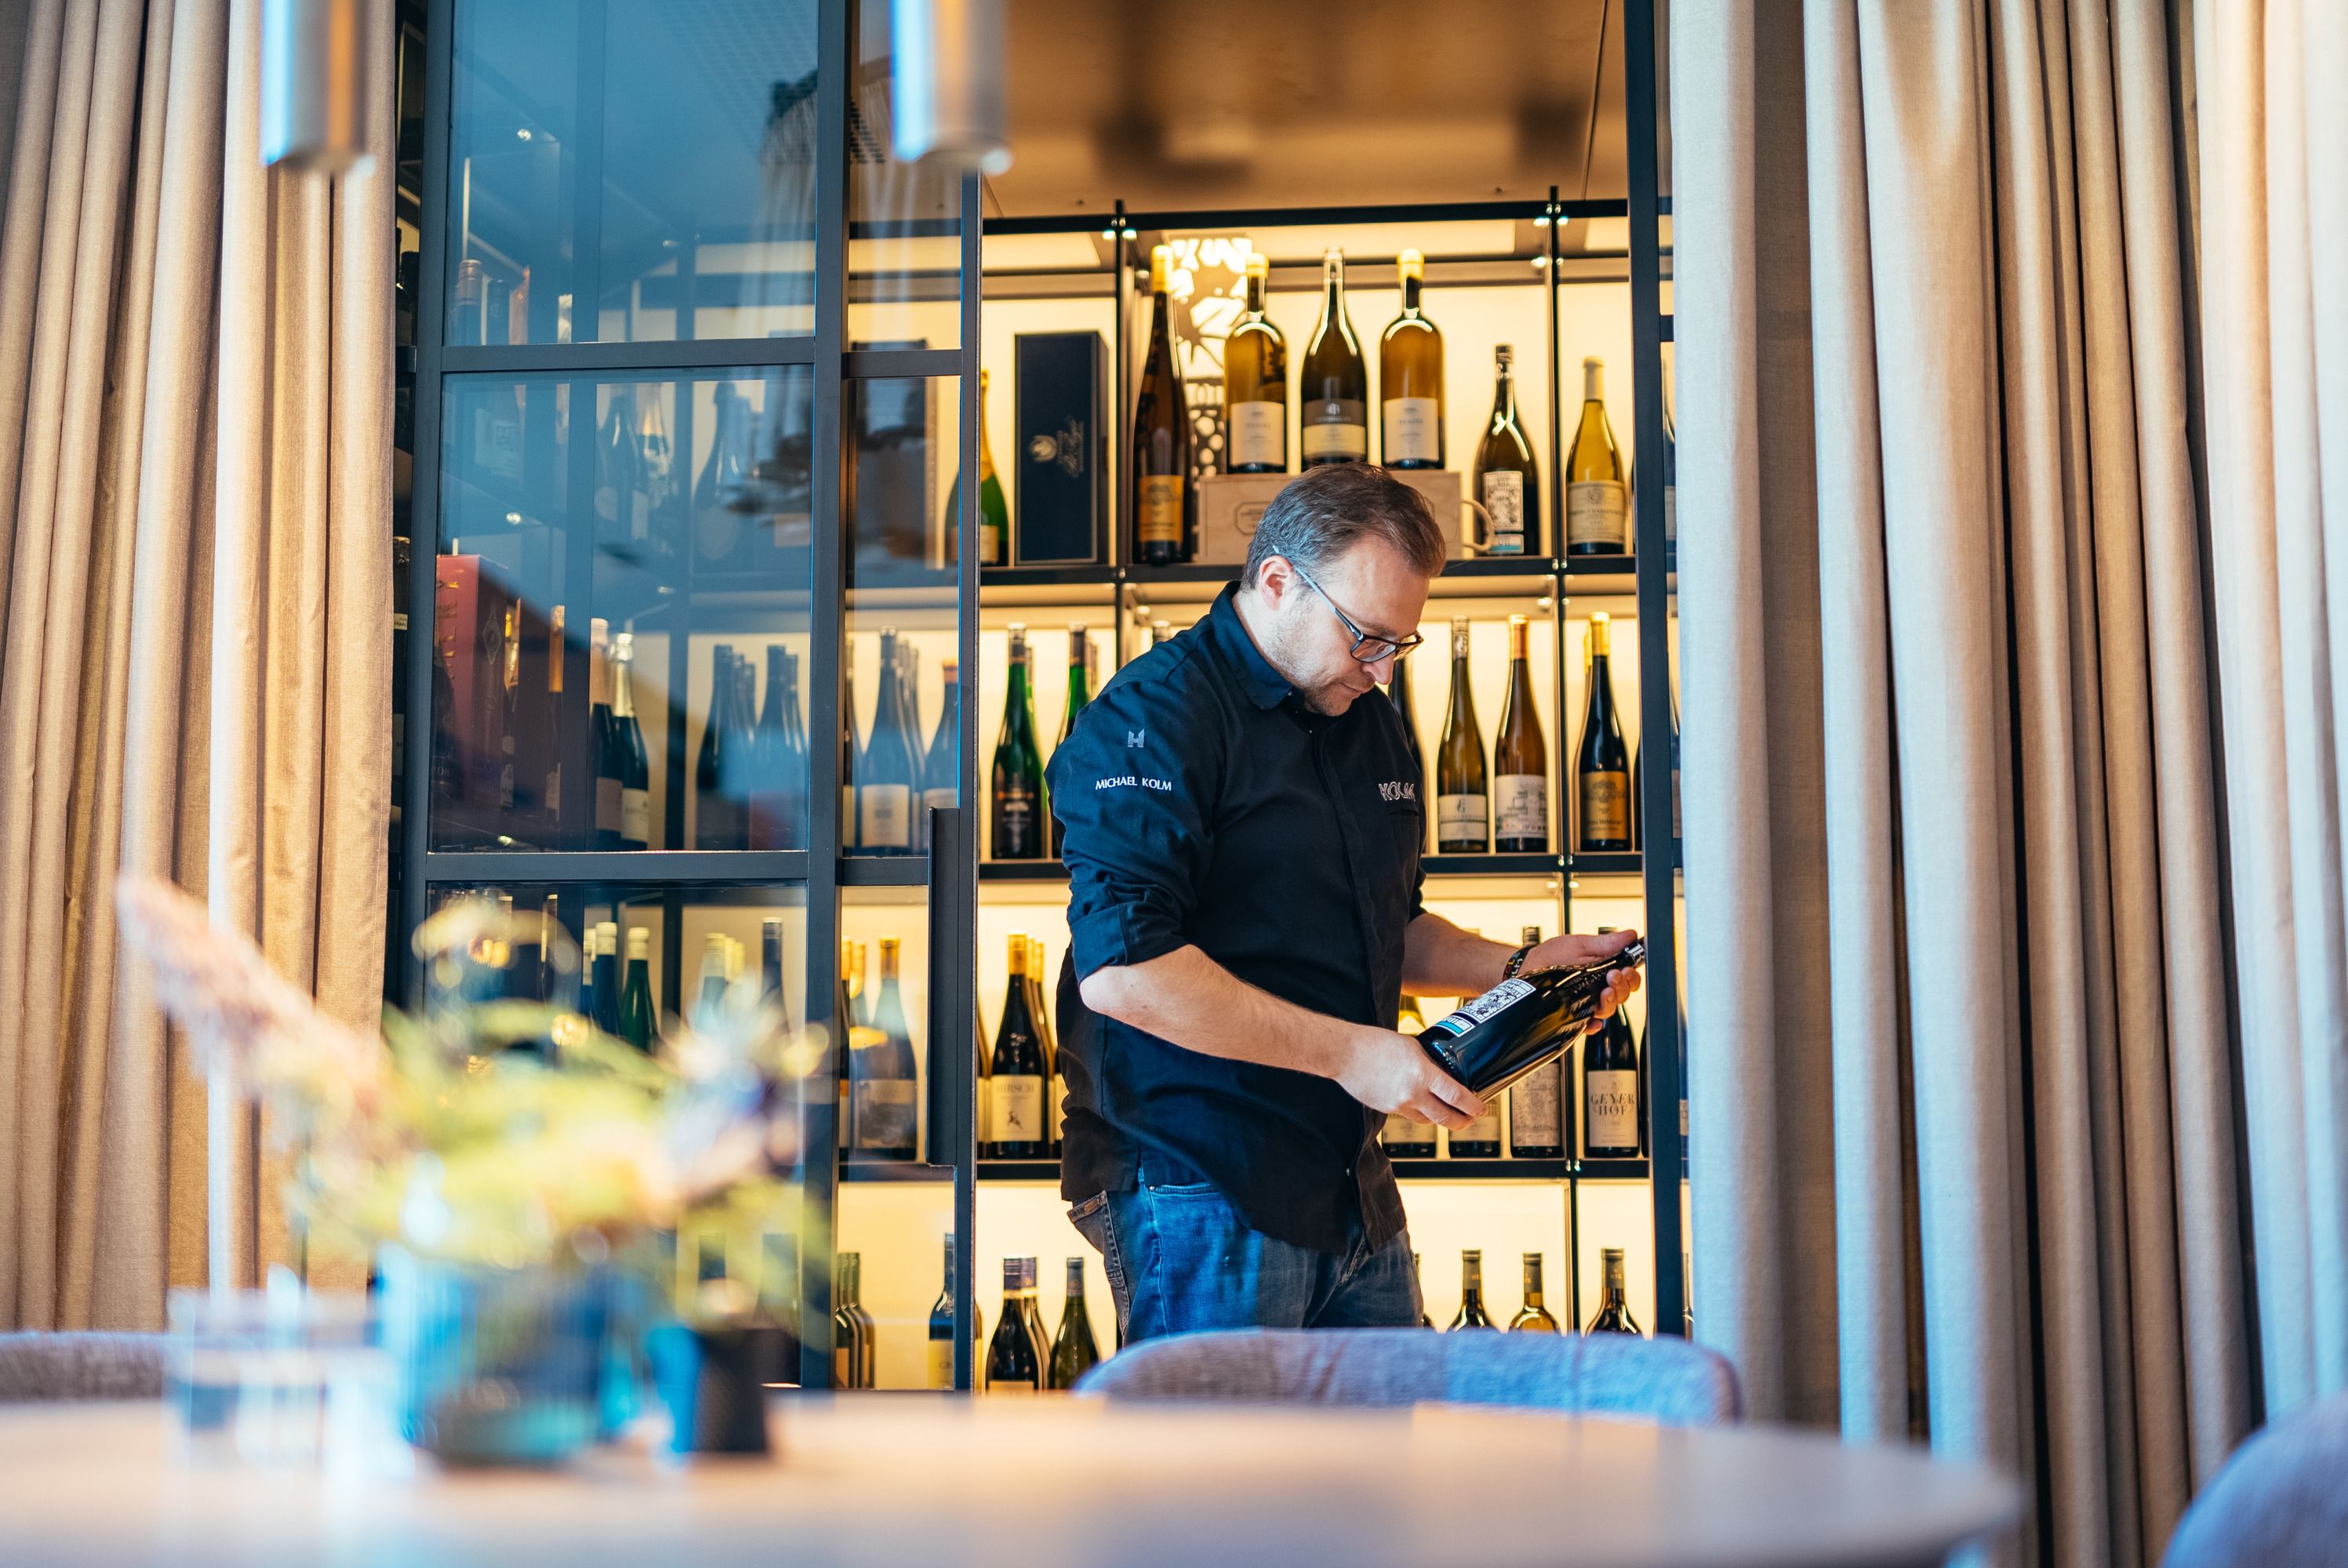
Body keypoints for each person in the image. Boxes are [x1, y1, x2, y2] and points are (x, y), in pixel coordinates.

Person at [1049, 463, 1642, 1342]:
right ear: (1280, 580)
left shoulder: (1368, 715)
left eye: (1400, 644)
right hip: (1199, 1182)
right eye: (1367, 636)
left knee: (1382, 1478)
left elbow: (1390, 928)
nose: (1383, 669)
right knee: (1223, 1483)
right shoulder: (1156, 715)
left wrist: (1520, 969)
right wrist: (1352, 1054)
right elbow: (1124, 974)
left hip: (1351, 1185)